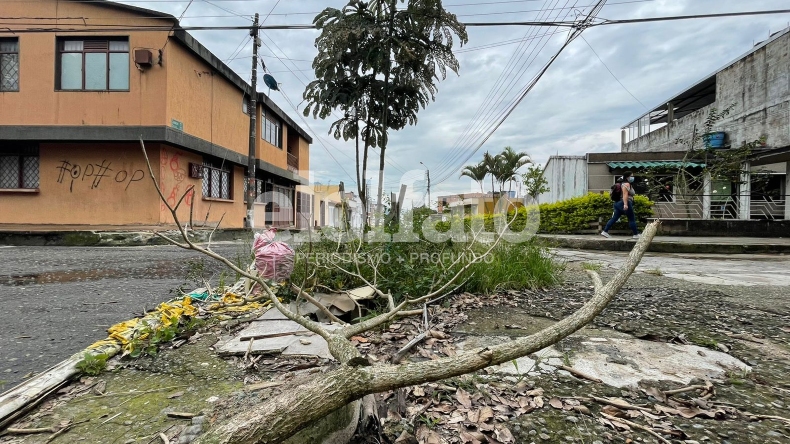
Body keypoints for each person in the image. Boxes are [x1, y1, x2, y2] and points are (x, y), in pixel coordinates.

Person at [600, 171, 640, 239]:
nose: (632, 177)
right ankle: (636, 234)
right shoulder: (626, 184)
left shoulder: (621, 183)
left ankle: (605, 231)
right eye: (631, 176)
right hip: (624, 202)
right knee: (631, 218)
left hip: (617, 203)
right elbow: (625, 194)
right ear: (628, 177)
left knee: (614, 218)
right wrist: (625, 204)